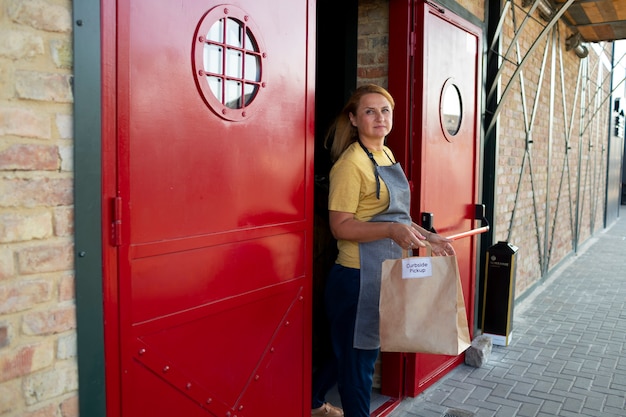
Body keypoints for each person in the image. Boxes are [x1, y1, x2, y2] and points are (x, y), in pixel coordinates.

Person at [311, 84, 455, 417]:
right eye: (369, 111)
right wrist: (391, 231)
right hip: (356, 279)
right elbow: (340, 226)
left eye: (385, 110)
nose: (379, 117)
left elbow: (397, 217)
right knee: (358, 363)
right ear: (354, 118)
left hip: (384, 274)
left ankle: (313, 401)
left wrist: (428, 237)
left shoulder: (385, 155)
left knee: (346, 353)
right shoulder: (350, 165)